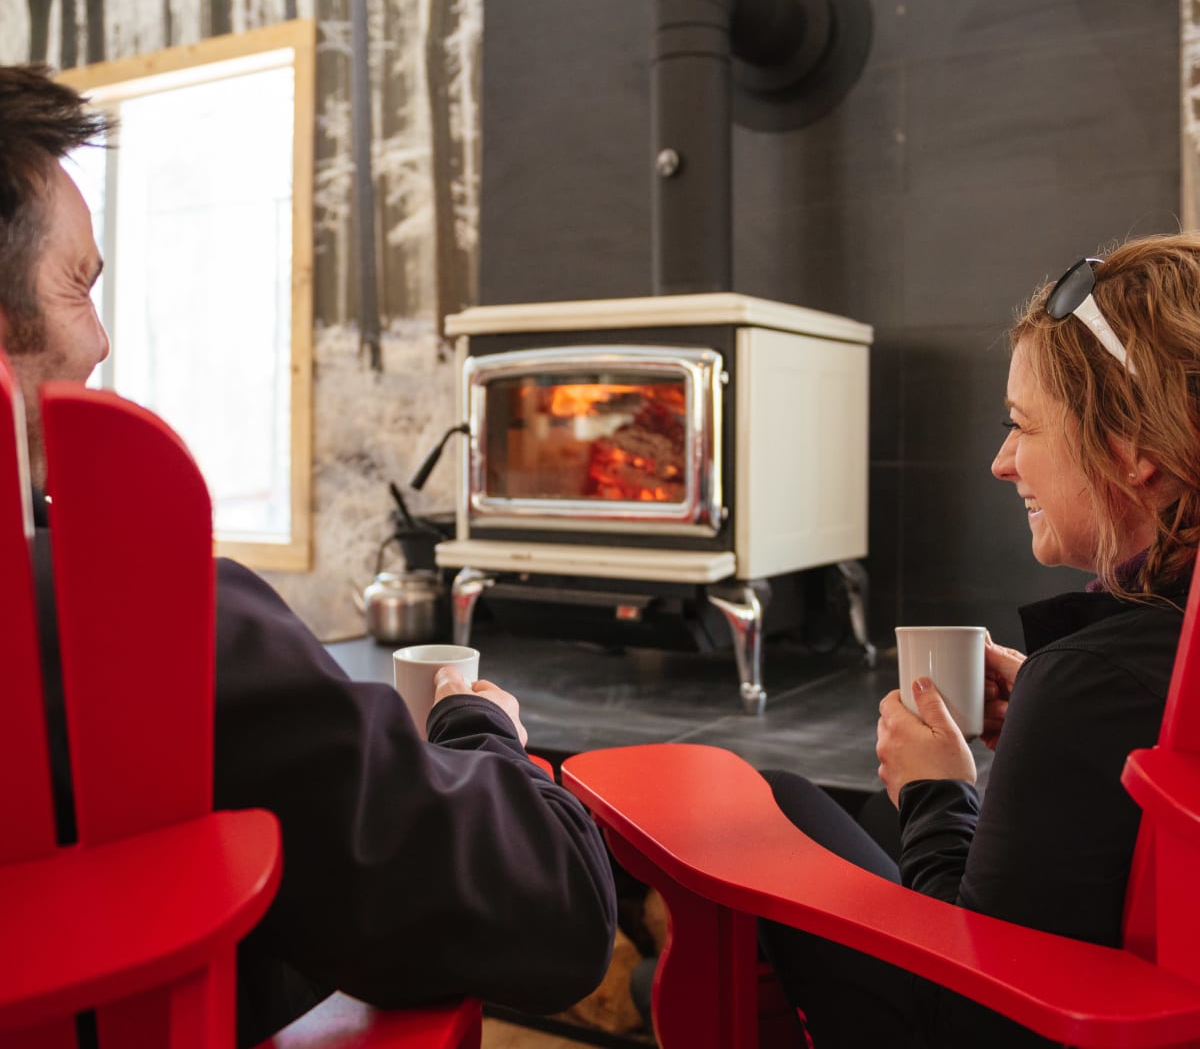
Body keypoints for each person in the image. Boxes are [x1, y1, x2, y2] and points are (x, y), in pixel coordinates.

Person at [0, 64, 618, 1046]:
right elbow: (553, 910)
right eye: (79, 284)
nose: (103, 342)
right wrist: (481, 731)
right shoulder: (120, 623)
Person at [758, 236, 1200, 1047]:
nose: (1002, 463)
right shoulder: (1148, 666)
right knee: (874, 812)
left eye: (1022, 426)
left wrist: (938, 793)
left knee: (777, 806)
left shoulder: (1093, 685)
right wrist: (1046, 710)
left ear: (1134, 449)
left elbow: (976, 1014)